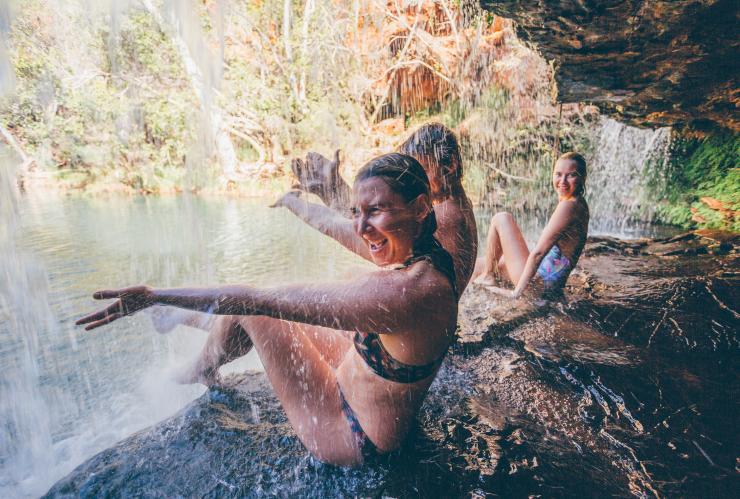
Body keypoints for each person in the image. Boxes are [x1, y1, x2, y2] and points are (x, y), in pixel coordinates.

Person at [77, 153, 459, 466]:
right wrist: (293, 201)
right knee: (267, 305)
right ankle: (182, 320)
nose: (361, 228)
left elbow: (261, 300)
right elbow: (334, 224)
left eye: (375, 211)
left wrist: (156, 294)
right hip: (367, 383)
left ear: (422, 207)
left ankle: (200, 367)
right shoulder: (427, 254)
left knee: (258, 311)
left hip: (350, 433)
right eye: (358, 212)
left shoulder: (405, 293)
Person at [280, 122, 477, 295]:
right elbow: (379, 227)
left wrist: (323, 197)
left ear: (449, 166)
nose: (414, 183)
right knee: (351, 275)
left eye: (421, 171)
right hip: (434, 315)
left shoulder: (446, 214)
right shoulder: (457, 204)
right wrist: (334, 191)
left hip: (423, 322)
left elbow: (380, 244)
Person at [471, 152, 590, 299]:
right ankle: (486, 275)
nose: (563, 181)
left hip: (537, 288)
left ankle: (488, 277)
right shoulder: (579, 203)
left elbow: (538, 253)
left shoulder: (569, 206)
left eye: (571, 175)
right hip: (547, 286)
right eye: (558, 174)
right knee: (479, 264)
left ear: (582, 178)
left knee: (502, 218)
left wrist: (516, 293)